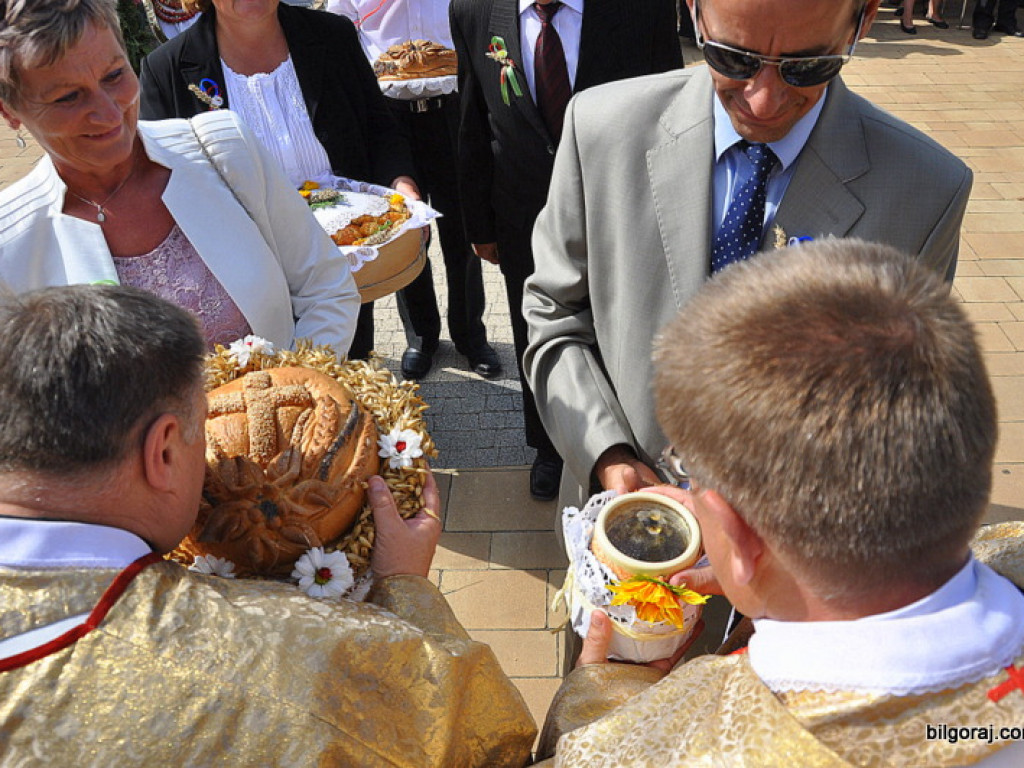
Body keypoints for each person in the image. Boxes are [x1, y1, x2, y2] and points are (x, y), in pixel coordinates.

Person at [0, 284, 537, 766]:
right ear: (162, 451)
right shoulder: (297, 653)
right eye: (200, 435)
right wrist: (406, 591)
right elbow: (486, 742)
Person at [534, 239, 1024, 765]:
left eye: (686, 469)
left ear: (737, 533)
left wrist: (593, 702)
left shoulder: (632, 752)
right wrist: (773, 580)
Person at [523, 0, 973, 511]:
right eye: (733, 59)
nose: (762, 101)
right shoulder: (601, 128)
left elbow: (901, 407)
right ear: (692, 11)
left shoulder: (927, 191)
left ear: (864, 20)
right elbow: (555, 312)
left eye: (808, 67)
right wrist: (607, 452)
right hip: (618, 542)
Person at [0, 0, 359, 353]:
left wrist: (299, 389)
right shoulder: (10, 247)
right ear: (10, 111)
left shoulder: (224, 149)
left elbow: (325, 286)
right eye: (67, 97)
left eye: (114, 75)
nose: (109, 114)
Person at [450, 0, 683, 500]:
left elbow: (674, 112)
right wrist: (479, 220)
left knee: (621, 326)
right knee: (535, 325)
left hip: (621, 209)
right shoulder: (473, 10)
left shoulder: (645, 10)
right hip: (522, 215)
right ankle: (551, 446)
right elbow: (472, 117)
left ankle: (627, 445)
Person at [138, 0, 418, 359]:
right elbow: (163, 190)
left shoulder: (332, 36)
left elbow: (381, 129)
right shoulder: (167, 69)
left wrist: (402, 185)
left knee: (348, 375)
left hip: (342, 261)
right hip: (245, 285)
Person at [328, 0, 502, 382]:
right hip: (389, 117)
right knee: (406, 231)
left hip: (453, 107)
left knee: (462, 229)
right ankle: (421, 336)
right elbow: (338, 28)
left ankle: (471, 334)